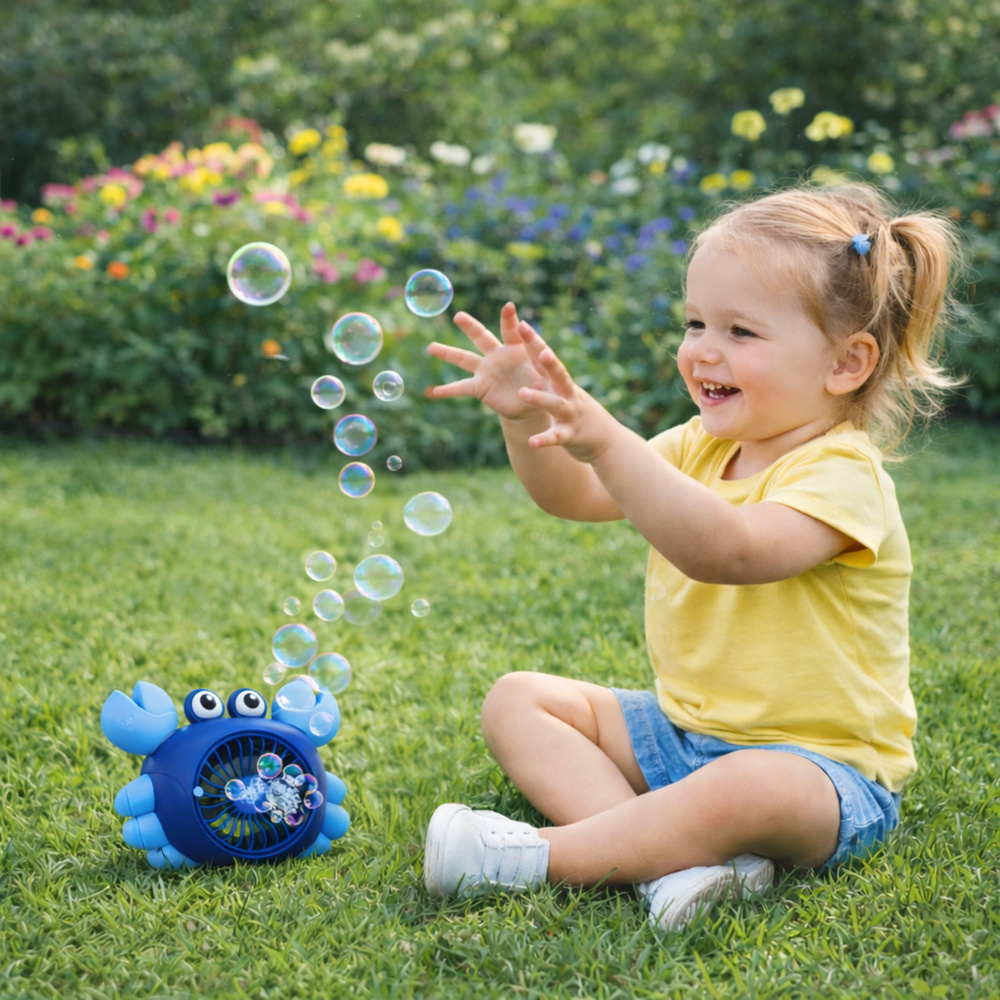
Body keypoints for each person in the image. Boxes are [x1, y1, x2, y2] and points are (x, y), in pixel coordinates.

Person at [420, 183, 961, 931]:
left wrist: (609, 440)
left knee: (750, 785)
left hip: (822, 775)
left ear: (846, 363)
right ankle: (670, 865)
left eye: (741, 331)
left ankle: (533, 857)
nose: (703, 348)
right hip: (683, 738)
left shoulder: (844, 475)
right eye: (695, 322)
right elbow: (575, 494)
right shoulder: (699, 445)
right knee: (518, 700)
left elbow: (728, 551)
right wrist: (526, 421)